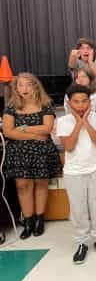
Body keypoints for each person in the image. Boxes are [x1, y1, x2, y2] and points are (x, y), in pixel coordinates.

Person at [2, 73, 62, 239]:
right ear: (16, 88)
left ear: (35, 86)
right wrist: (34, 134)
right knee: (22, 185)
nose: (25, 89)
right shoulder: (11, 105)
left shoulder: (46, 104)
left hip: (42, 151)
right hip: (19, 152)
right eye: (21, 85)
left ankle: (39, 219)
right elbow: (8, 131)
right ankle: (28, 221)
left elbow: (47, 128)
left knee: (41, 183)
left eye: (28, 85)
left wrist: (21, 127)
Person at [57, 84, 96, 264]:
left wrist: (86, 120)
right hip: (74, 171)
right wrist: (79, 122)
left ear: (90, 101)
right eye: (76, 102)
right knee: (78, 209)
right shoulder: (63, 122)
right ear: (69, 103)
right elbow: (69, 146)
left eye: (84, 101)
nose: (80, 106)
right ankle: (81, 242)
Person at [64, 67, 96, 142]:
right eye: (77, 77)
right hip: (75, 130)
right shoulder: (68, 96)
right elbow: (68, 115)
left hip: (95, 130)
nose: (80, 79)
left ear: (91, 79)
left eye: (83, 76)